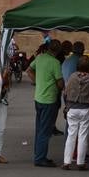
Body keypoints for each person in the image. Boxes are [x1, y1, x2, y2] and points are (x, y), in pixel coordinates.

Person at [27, 38, 64, 167]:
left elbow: (29, 70)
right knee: (45, 130)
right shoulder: (55, 63)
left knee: (39, 128)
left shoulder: (40, 57)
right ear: (58, 51)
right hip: (49, 99)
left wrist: (37, 82)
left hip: (38, 97)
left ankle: (38, 154)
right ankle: (40, 158)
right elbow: (59, 82)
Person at [62, 56, 89, 170]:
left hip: (72, 107)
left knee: (71, 135)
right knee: (83, 135)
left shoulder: (72, 77)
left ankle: (67, 161)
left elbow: (65, 93)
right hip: (86, 108)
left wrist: (67, 105)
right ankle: (80, 162)